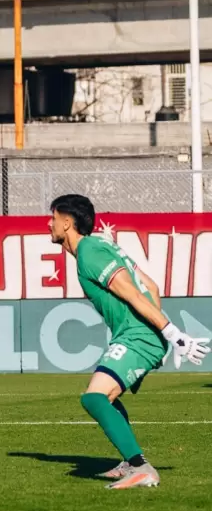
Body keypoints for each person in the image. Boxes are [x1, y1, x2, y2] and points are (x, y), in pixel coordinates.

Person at [48, 194, 209, 489]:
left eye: (53, 219)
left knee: (93, 398)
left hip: (138, 334)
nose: (49, 224)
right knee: (106, 397)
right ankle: (129, 463)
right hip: (141, 333)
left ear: (67, 222)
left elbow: (134, 294)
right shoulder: (102, 247)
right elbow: (150, 285)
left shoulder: (90, 253)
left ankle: (140, 467)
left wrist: (171, 334)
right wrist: (161, 332)